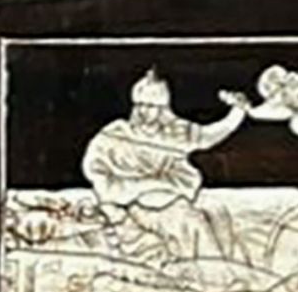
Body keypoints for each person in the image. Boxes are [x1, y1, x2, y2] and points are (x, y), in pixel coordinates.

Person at [80, 69, 251, 259]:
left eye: (150, 106)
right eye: (140, 105)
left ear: (162, 108)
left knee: (204, 219)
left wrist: (238, 112)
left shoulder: (176, 132)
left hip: (168, 195)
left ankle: (214, 269)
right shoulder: (116, 133)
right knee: (181, 225)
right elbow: (95, 166)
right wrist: (120, 191)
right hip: (132, 201)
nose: (143, 112)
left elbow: (208, 136)